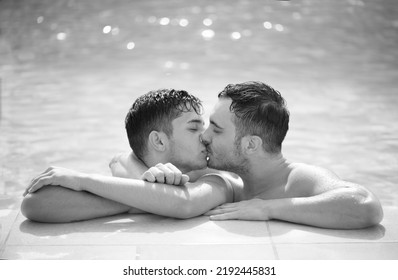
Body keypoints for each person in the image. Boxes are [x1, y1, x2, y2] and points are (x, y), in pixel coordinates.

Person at [23, 82, 383, 229]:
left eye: (216, 129)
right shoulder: (223, 179)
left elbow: (364, 203)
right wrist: (137, 180)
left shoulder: (298, 178)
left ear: (251, 145)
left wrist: (269, 208)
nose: (207, 137)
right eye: (200, 127)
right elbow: (36, 206)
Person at [21, 89, 234, 222]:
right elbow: (34, 204)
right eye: (193, 128)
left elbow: (183, 204)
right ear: (159, 141)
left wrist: (81, 180)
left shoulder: (218, 173)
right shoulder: (129, 166)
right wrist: (153, 196)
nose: (205, 136)